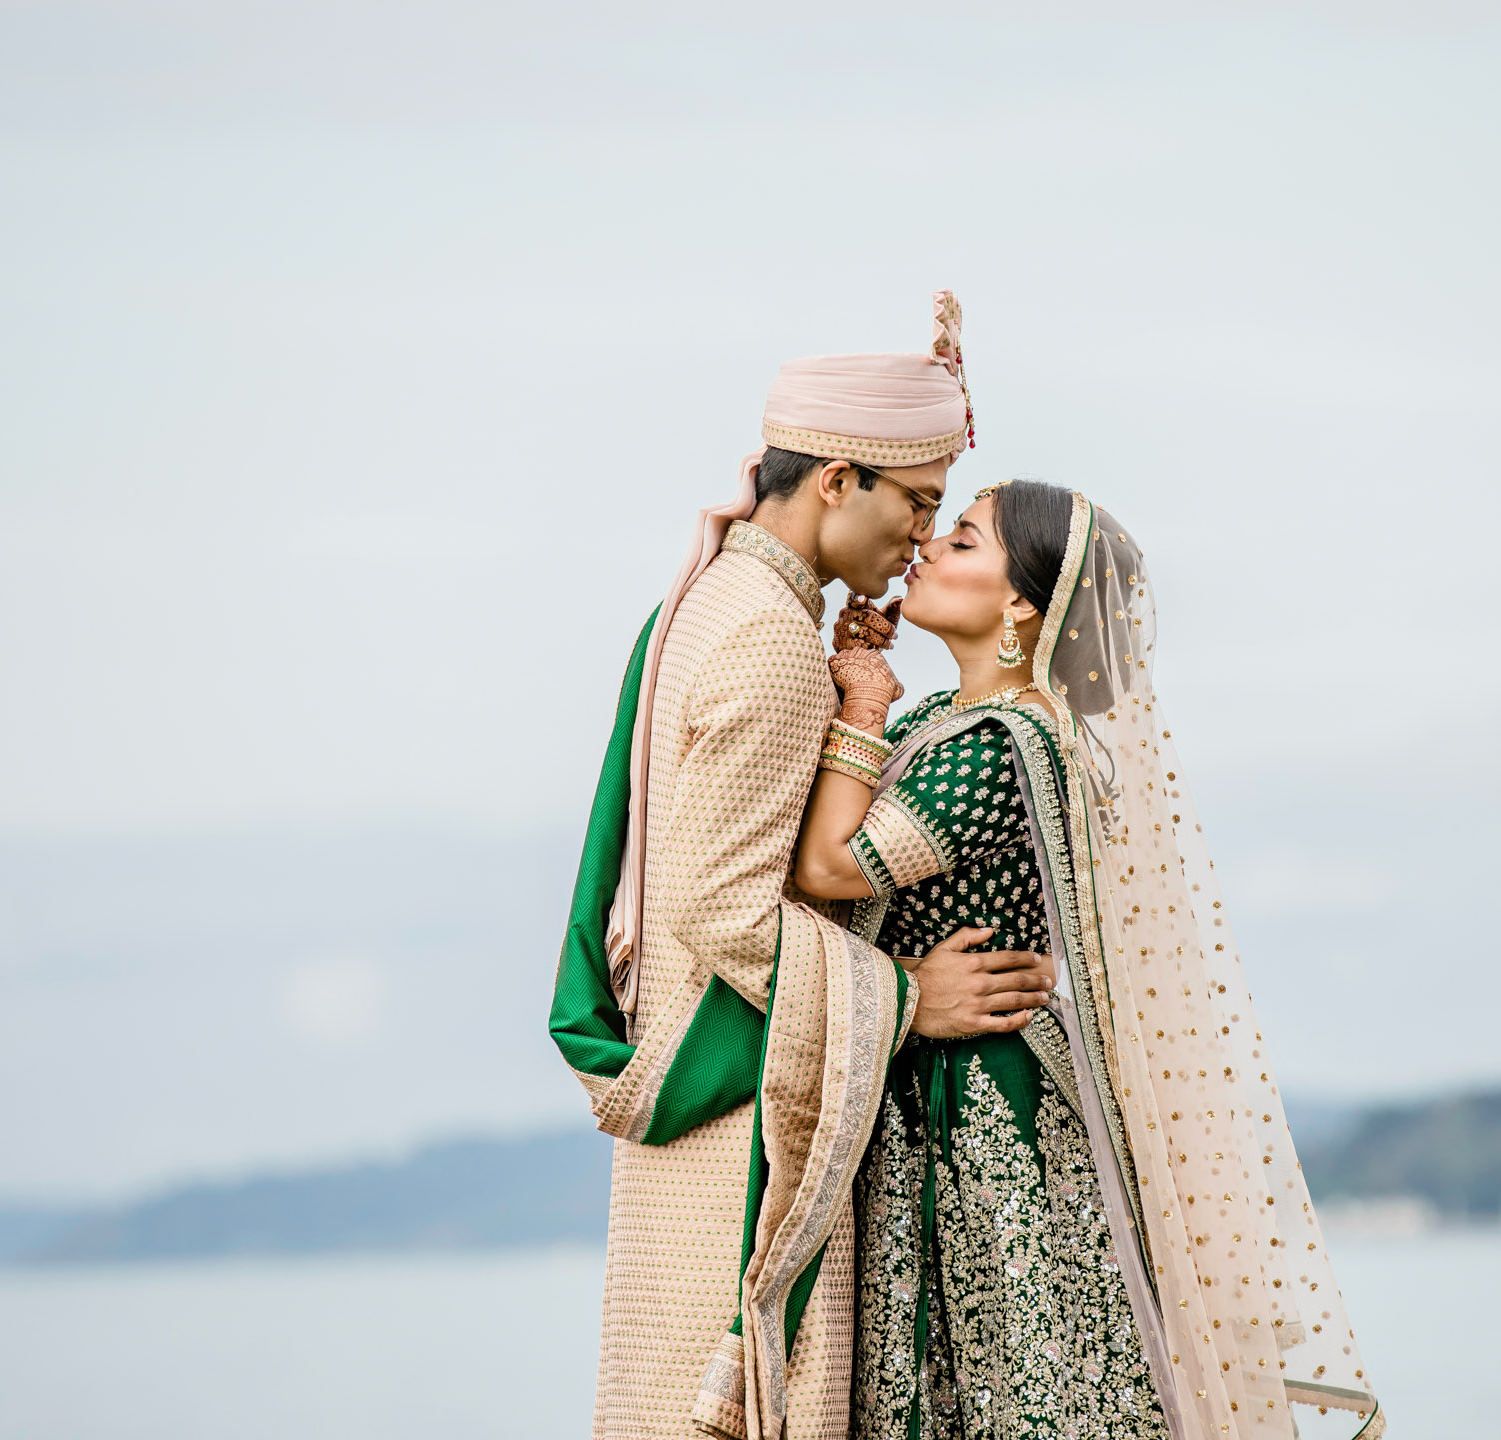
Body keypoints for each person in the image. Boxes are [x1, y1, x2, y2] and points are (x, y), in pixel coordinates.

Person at [548, 293, 1058, 1440]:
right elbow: (724, 911)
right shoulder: (769, 642)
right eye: (916, 505)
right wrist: (908, 1002)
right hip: (745, 1119)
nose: (918, 542)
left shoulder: (711, 602)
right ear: (837, 480)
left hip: (715, 1080)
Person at [792, 481, 1386, 1440]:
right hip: (938, 1067)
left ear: (1022, 601)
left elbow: (830, 865)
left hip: (973, 1096)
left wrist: (858, 702)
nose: (930, 548)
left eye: (965, 539)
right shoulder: (949, 721)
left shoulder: (1002, 743)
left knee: (1011, 1379)